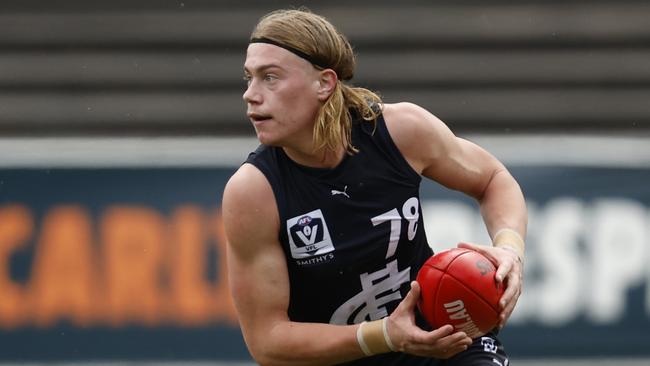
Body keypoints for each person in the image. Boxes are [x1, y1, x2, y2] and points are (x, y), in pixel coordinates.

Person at [222, 8, 527, 366]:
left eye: (270, 77)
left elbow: (493, 180)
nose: (250, 94)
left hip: (439, 342)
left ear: (325, 83)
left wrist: (509, 251)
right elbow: (267, 341)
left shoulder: (400, 131)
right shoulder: (253, 191)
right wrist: (385, 334)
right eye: (249, 78)